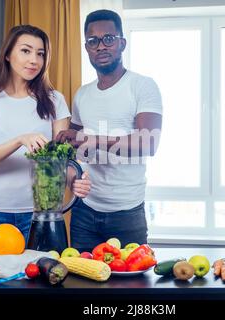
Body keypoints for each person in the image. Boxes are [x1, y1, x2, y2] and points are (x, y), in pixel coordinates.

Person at [0, 25, 91, 255]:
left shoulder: (55, 100)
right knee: (1, 283)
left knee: (41, 285)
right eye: (26, 51)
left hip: (41, 215)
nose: (34, 60)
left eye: (40, 53)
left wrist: (75, 181)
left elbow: (62, 161)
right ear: (7, 54)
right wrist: (19, 140)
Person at [56, 10, 163, 252]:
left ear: (122, 43)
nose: (101, 46)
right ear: (87, 48)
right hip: (84, 211)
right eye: (93, 41)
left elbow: (148, 144)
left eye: (109, 39)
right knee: (82, 286)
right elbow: (72, 152)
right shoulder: (82, 94)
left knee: (129, 288)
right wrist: (72, 175)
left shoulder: (142, 86)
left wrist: (91, 139)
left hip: (127, 214)